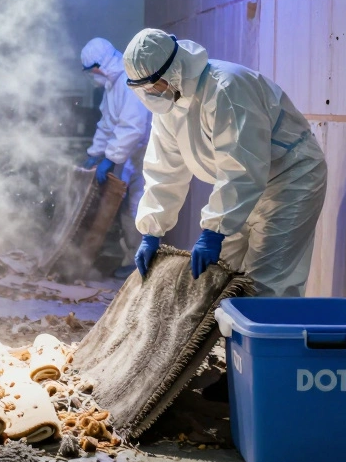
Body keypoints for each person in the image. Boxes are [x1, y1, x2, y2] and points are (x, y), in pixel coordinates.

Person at [123, 28, 327, 297]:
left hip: (289, 180)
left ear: (172, 71)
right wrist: (152, 230)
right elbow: (164, 170)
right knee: (219, 279)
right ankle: (229, 340)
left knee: (266, 285)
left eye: (153, 86)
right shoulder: (170, 103)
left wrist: (214, 231)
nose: (151, 94)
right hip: (243, 188)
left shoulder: (226, 88)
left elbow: (242, 166)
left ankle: (265, 339)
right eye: (143, 89)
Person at [80, 38, 151, 265]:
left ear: (101, 65)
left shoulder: (130, 81)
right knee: (126, 206)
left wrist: (109, 158)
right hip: (130, 154)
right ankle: (130, 259)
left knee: (139, 207)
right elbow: (107, 124)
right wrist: (95, 153)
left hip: (145, 154)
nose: (92, 76)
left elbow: (132, 127)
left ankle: (139, 264)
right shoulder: (113, 84)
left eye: (92, 71)